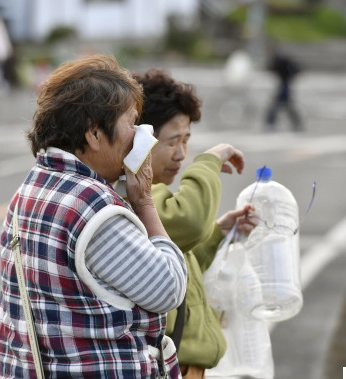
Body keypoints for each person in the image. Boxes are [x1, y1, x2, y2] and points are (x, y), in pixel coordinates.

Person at [0, 55, 187, 378]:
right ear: (94, 134)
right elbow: (168, 289)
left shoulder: (32, 187)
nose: (142, 135)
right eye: (132, 122)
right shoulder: (92, 205)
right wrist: (143, 202)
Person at [134, 68, 257, 379]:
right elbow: (187, 222)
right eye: (173, 141)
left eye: (187, 141)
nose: (182, 154)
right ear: (139, 138)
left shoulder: (153, 194)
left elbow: (176, 264)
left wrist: (216, 235)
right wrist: (209, 162)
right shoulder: (139, 196)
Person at [264, 48, 304, 132]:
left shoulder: (282, 62)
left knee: (278, 106)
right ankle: (297, 124)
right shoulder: (283, 62)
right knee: (287, 106)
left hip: (284, 86)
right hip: (284, 85)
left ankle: (270, 123)